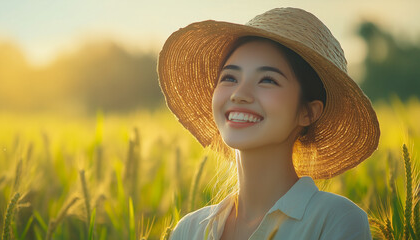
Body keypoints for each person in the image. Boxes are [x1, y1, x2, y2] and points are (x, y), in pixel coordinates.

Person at [157, 7, 380, 240]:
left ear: (308, 112)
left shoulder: (335, 219)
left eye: (267, 80)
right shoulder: (189, 230)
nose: (239, 94)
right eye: (229, 78)